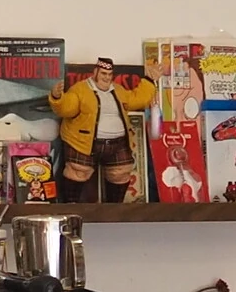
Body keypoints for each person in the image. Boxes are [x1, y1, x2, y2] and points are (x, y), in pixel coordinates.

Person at [47, 56, 156, 202]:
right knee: (77, 172)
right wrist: (57, 97)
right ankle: (71, 206)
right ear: (95, 72)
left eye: (110, 74)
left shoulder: (118, 90)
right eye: (103, 74)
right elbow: (67, 108)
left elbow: (137, 99)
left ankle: (113, 209)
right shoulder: (80, 90)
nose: (107, 77)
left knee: (121, 173)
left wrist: (149, 80)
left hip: (118, 143)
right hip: (83, 142)